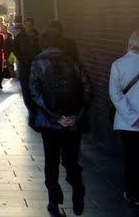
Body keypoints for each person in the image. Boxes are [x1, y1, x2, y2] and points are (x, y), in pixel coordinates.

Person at [28, 29, 92, 215]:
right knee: (71, 161)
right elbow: (87, 88)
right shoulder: (73, 61)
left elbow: (35, 93)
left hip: (49, 124)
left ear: (44, 43)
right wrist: (76, 116)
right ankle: (77, 187)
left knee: (51, 161)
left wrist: (56, 117)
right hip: (73, 123)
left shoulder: (38, 63)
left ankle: (54, 201)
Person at [109, 28, 139, 208]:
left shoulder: (118, 64)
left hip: (126, 123)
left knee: (131, 159)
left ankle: (133, 194)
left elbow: (115, 95)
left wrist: (133, 118)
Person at [14, 17, 42, 110]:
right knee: (25, 86)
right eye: (27, 25)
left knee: (37, 85)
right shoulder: (19, 37)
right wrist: (21, 58)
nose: (29, 27)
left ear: (33, 25)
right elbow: (15, 49)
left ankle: (37, 104)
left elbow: (42, 48)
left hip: (36, 65)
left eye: (30, 25)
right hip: (24, 65)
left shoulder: (38, 36)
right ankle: (29, 106)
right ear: (24, 25)